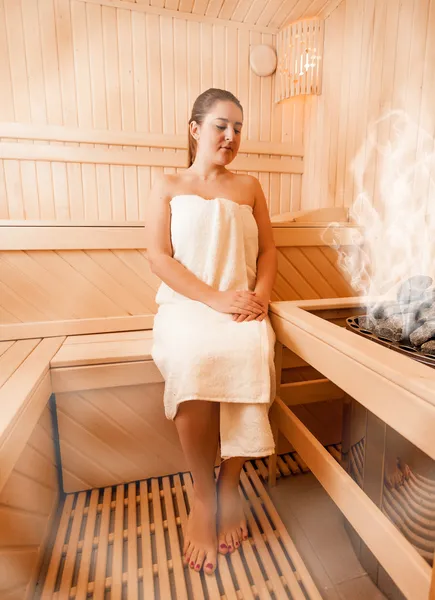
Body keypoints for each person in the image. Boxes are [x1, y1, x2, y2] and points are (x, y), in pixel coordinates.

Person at [146, 88, 278, 576]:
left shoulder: (250, 187)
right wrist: (212, 298)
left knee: (252, 353)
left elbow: (268, 251)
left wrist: (259, 295)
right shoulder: (167, 184)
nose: (231, 136)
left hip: (241, 307)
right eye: (222, 125)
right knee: (190, 358)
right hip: (188, 305)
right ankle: (204, 493)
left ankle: (231, 483)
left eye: (239, 128)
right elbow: (159, 256)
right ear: (195, 129)